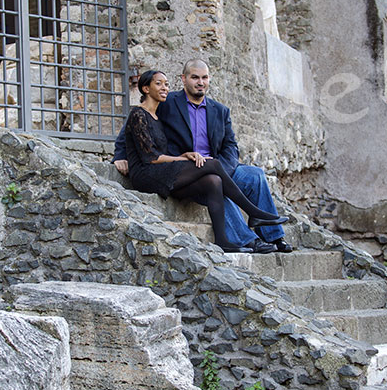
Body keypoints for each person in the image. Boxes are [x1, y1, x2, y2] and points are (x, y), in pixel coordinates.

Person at [115, 59, 293, 253]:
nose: (200, 82)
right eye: (195, 77)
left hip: (219, 165)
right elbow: (134, 128)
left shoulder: (220, 111)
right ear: (184, 79)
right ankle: (248, 239)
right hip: (188, 169)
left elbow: (231, 147)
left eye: (205, 78)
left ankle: (275, 236)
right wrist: (120, 155)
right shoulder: (168, 103)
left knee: (255, 175)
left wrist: (224, 168)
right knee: (214, 180)